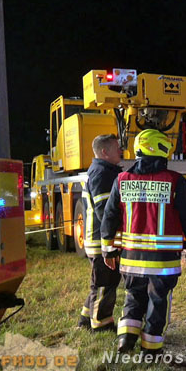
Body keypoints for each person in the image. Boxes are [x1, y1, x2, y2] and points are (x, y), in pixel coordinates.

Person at [101, 128, 186, 354]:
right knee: (158, 301)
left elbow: (109, 217)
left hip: (131, 259)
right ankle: (151, 349)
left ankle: (125, 340)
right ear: (161, 149)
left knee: (133, 297)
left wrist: (108, 251)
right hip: (163, 261)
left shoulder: (122, 180)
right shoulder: (175, 181)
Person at [78, 134, 123, 332]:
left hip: (97, 238)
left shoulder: (101, 170)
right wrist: (110, 241)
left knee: (98, 283)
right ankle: (102, 324)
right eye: (116, 147)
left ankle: (85, 319)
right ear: (104, 152)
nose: (121, 151)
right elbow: (106, 212)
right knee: (106, 282)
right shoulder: (102, 174)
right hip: (100, 240)